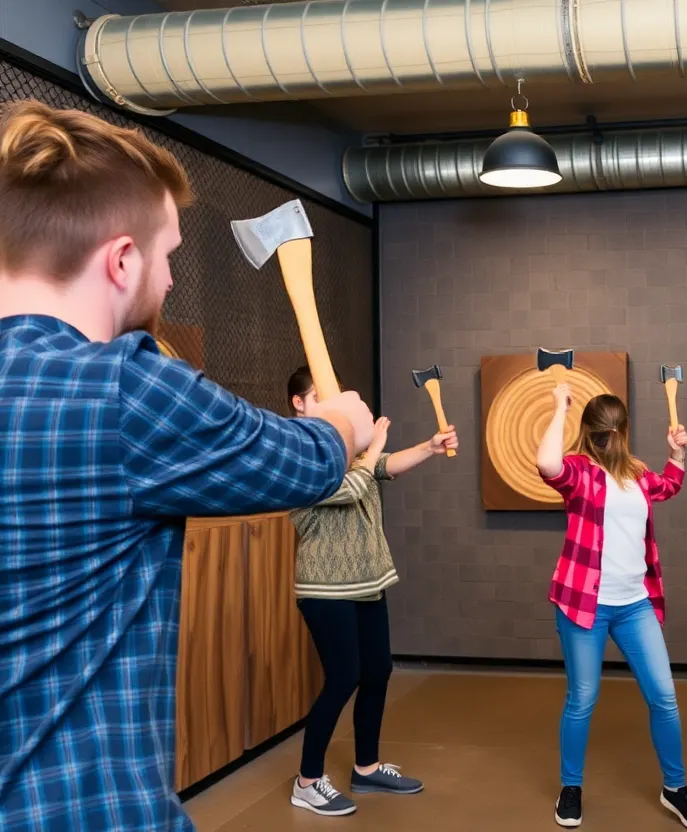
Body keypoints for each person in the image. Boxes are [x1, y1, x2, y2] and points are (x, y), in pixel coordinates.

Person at [0, 100, 375, 831]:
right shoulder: (124, 389)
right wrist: (346, 421)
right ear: (120, 260)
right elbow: (307, 460)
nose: (171, 280)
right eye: (166, 254)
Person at [285, 366, 458, 817]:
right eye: (317, 395)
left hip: (368, 580)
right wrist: (371, 449)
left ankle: (366, 766)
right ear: (298, 404)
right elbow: (345, 488)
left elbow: (381, 467)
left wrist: (428, 447)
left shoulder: (352, 447)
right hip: (325, 588)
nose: (331, 401)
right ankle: (307, 781)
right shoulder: (298, 450)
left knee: (377, 670)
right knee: (343, 677)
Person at [536, 385, 687, 831]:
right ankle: (570, 787)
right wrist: (559, 407)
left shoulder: (635, 472)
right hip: (583, 604)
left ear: (624, 432)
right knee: (583, 699)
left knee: (665, 697)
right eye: (602, 433)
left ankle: (675, 787)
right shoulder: (578, 473)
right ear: (592, 434)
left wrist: (677, 454)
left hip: (635, 605)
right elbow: (546, 464)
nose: (608, 440)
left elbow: (668, 486)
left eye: (613, 432)